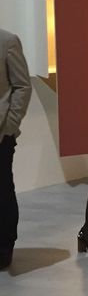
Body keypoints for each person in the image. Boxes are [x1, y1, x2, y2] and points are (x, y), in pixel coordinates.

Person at [0, 28, 32, 270]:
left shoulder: (7, 41)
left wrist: (9, 126)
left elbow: (22, 86)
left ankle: (4, 247)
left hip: (1, 134)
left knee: (2, 189)